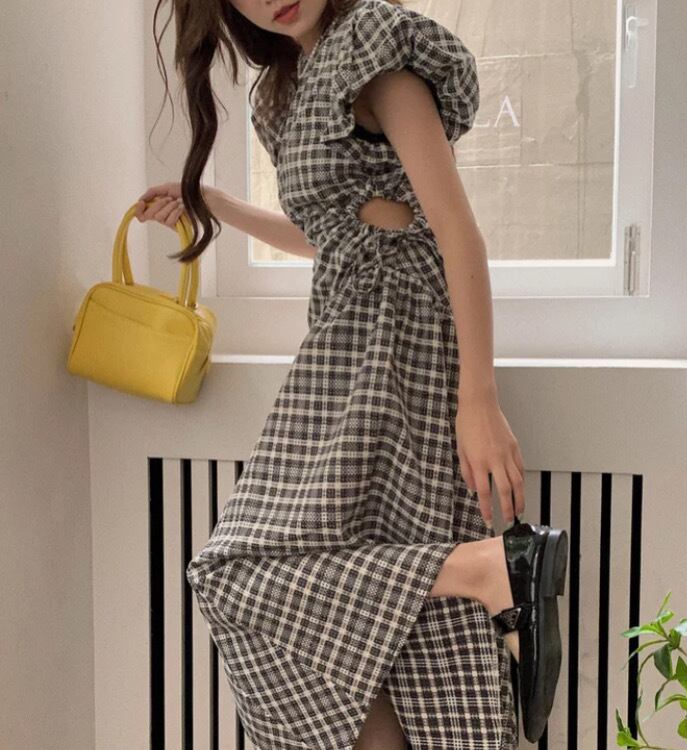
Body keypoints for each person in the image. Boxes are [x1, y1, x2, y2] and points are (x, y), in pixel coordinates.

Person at [136, 0, 568, 747]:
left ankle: (487, 569)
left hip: (393, 329)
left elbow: (455, 229)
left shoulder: (373, 44)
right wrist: (215, 204)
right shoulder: (282, 92)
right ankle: (487, 570)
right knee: (375, 622)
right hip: (342, 329)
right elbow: (330, 233)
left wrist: (479, 397)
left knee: (234, 570)